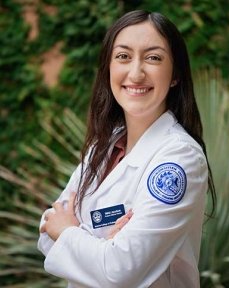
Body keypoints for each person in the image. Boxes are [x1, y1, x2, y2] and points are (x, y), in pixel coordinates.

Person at [38, 10, 216, 288]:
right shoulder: (105, 144)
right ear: (109, 67)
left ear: (175, 76)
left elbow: (119, 272)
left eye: (153, 58)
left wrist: (71, 233)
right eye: (123, 56)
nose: (136, 72)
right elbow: (47, 228)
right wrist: (101, 246)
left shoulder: (179, 160)